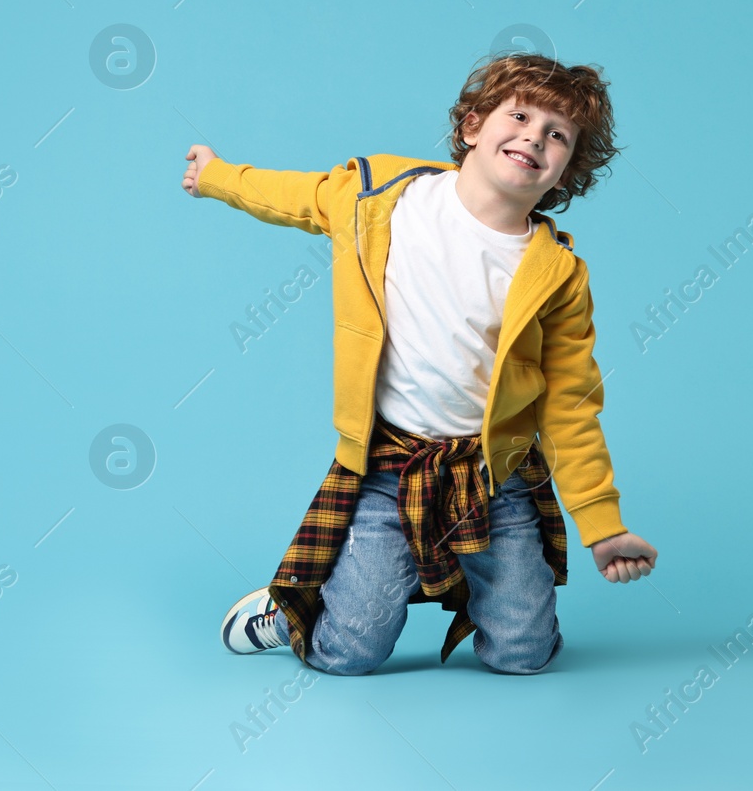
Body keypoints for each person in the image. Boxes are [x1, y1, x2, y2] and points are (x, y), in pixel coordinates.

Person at [182, 52, 657, 676]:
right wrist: (218, 176)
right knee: (346, 655)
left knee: (524, 657)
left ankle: (503, 605)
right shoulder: (381, 199)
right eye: (518, 115)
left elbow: (570, 404)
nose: (533, 137)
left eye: (557, 134)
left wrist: (603, 525)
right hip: (390, 467)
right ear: (471, 128)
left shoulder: (558, 274)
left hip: (496, 479)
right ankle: (290, 608)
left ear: (566, 171)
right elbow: (294, 197)